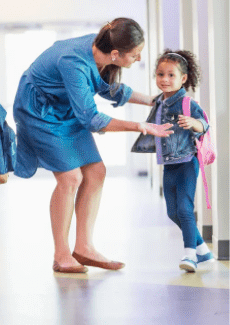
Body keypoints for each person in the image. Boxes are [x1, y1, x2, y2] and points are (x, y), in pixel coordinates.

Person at [12, 18, 173, 273]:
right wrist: (139, 126)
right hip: (39, 114)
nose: (139, 59)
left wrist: (154, 101)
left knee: (96, 172)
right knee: (70, 178)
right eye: (135, 54)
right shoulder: (74, 62)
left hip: (66, 109)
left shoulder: (101, 48)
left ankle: (84, 248)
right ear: (117, 54)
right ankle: (61, 255)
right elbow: (91, 118)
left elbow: (109, 89)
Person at [133, 49, 214, 272]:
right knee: (172, 212)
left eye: (171, 75)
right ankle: (203, 251)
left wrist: (192, 123)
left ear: (183, 78)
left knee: (185, 209)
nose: (165, 80)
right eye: (160, 74)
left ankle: (190, 255)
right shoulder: (159, 102)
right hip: (168, 164)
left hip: (187, 161)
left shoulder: (187, 103)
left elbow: (204, 125)